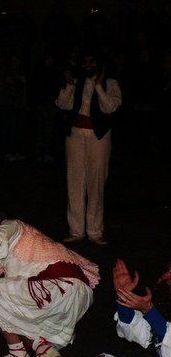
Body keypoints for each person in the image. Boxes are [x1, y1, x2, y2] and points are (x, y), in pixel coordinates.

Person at [0, 210, 99, 357]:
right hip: (72, 293)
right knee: (6, 307)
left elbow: (0, 239)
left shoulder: (11, 225)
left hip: (57, 286)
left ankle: (18, 353)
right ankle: (43, 350)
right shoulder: (8, 252)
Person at [56, 49, 122, 245]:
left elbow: (109, 107)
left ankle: (95, 230)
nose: (88, 65)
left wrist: (98, 86)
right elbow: (62, 104)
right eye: (85, 62)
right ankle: (76, 230)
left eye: (92, 61)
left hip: (98, 137)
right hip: (76, 135)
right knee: (75, 182)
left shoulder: (111, 83)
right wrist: (70, 85)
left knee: (96, 183)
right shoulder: (77, 82)